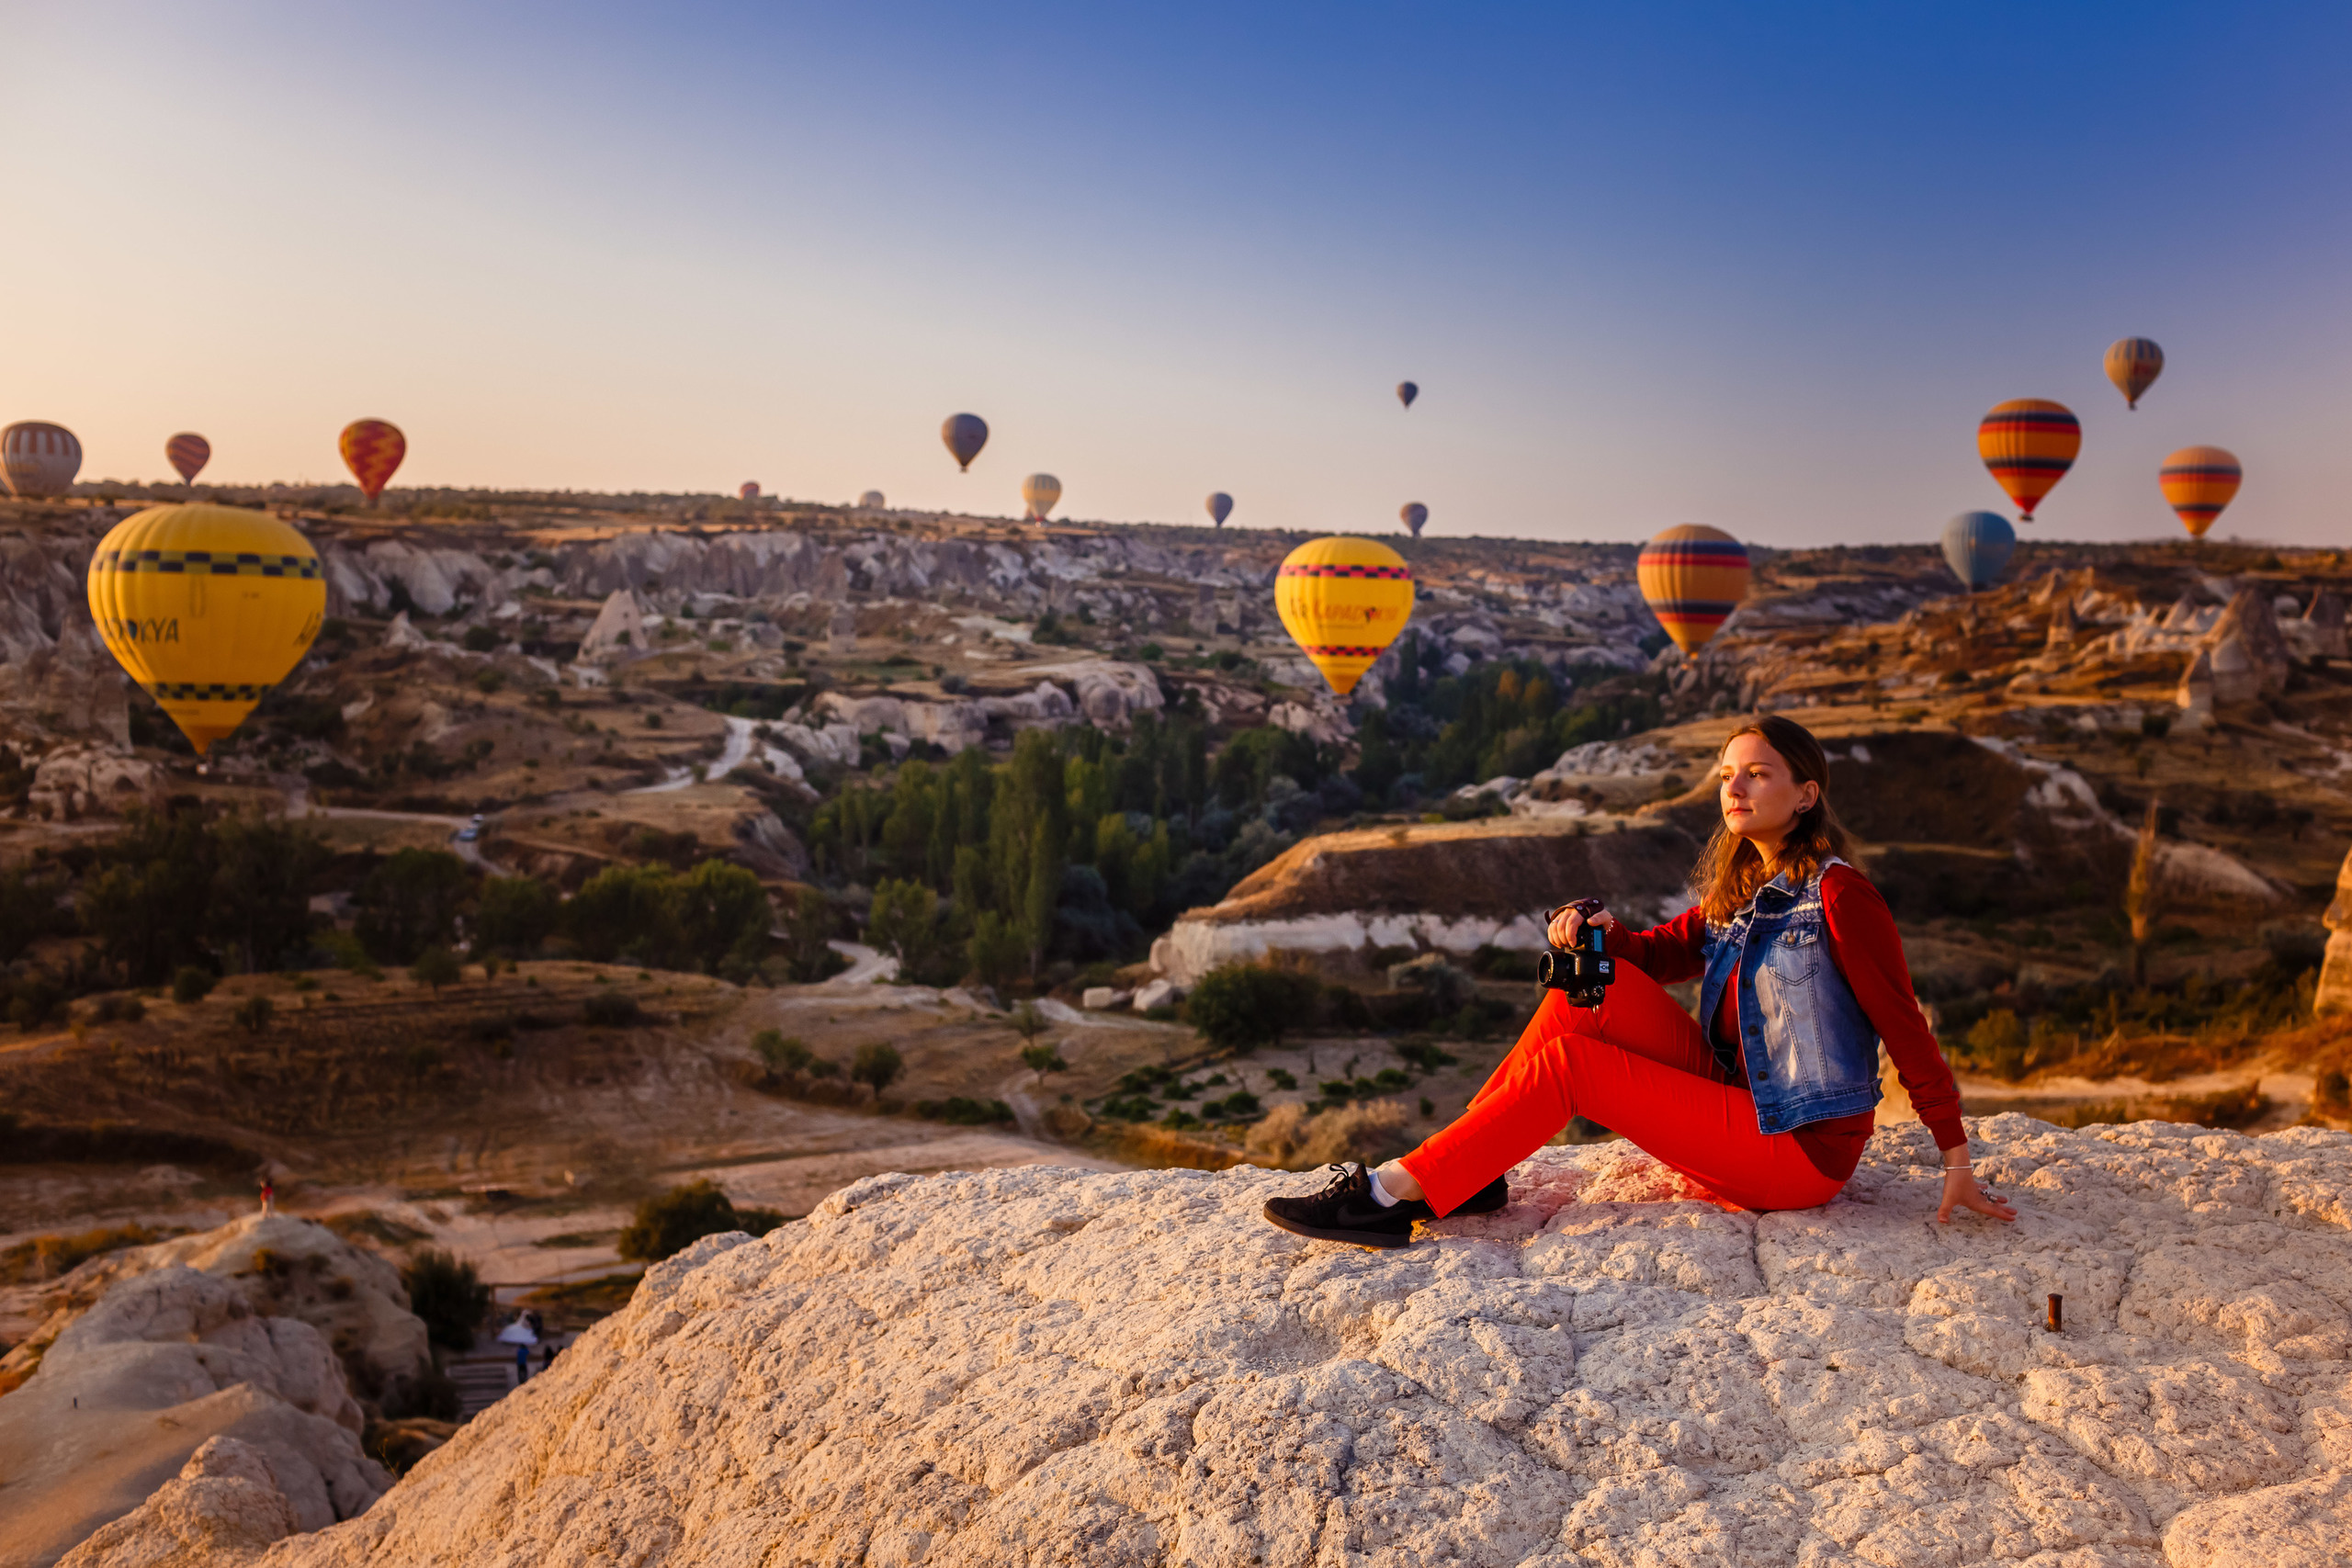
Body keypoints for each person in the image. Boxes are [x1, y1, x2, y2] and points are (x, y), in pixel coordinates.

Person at [1263, 714, 2017, 1247]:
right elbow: (1655, 956)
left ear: (1807, 793)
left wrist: (1956, 1159)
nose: (1737, 788)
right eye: (1728, 775)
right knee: (1585, 987)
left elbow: (1904, 1028)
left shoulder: (1842, 897)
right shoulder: (1747, 885)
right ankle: (1469, 1170)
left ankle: (1388, 1195)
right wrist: (1600, 930)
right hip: (1737, 1101)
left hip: (1797, 1151)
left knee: (1574, 1066)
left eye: (1759, 774)